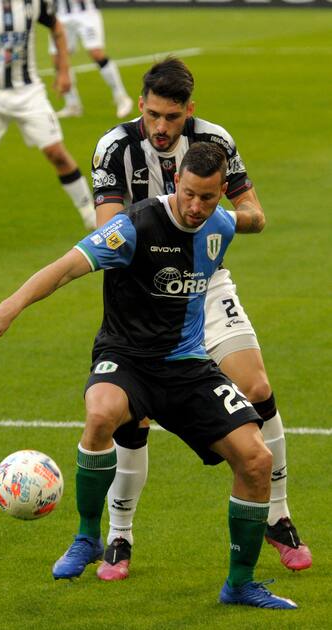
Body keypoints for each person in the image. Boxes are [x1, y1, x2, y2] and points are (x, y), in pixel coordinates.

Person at [0, 144, 297, 609]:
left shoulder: (221, 225)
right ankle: (87, 537)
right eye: (187, 193)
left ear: (221, 192)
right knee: (102, 413)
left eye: (207, 197)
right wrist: (8, 308)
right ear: (177, 183)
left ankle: (240, 585)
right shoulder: (133, 226)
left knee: (256, 459)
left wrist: (256, 216)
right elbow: (65, 269)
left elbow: (249, 219)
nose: (195, 206)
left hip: (186, 366)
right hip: (126, 359)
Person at [91, 57, 311, 581]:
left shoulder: (214, 141)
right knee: (131, 413)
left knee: (256, 385)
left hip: (205, 282)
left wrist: (213, 218)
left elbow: (256, 214)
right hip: (142, 291)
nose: (161, 128)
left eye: (171, 117)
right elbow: (108, 233)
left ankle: (278, 514)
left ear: (189, 111)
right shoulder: (113, 148)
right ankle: (119, 535)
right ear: (141, 106)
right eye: (151, 116)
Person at [0, 0, 96, 248]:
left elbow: (57, 29)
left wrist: (63, 71)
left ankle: (91, 215)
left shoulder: (33, 3)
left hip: (29, 92)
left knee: (56, 153)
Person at [48, 0, 133, 119]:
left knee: (96, 53)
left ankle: (122, 97)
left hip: (86, 13)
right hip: (60, 14)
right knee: (58, 58)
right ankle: (72, 105)